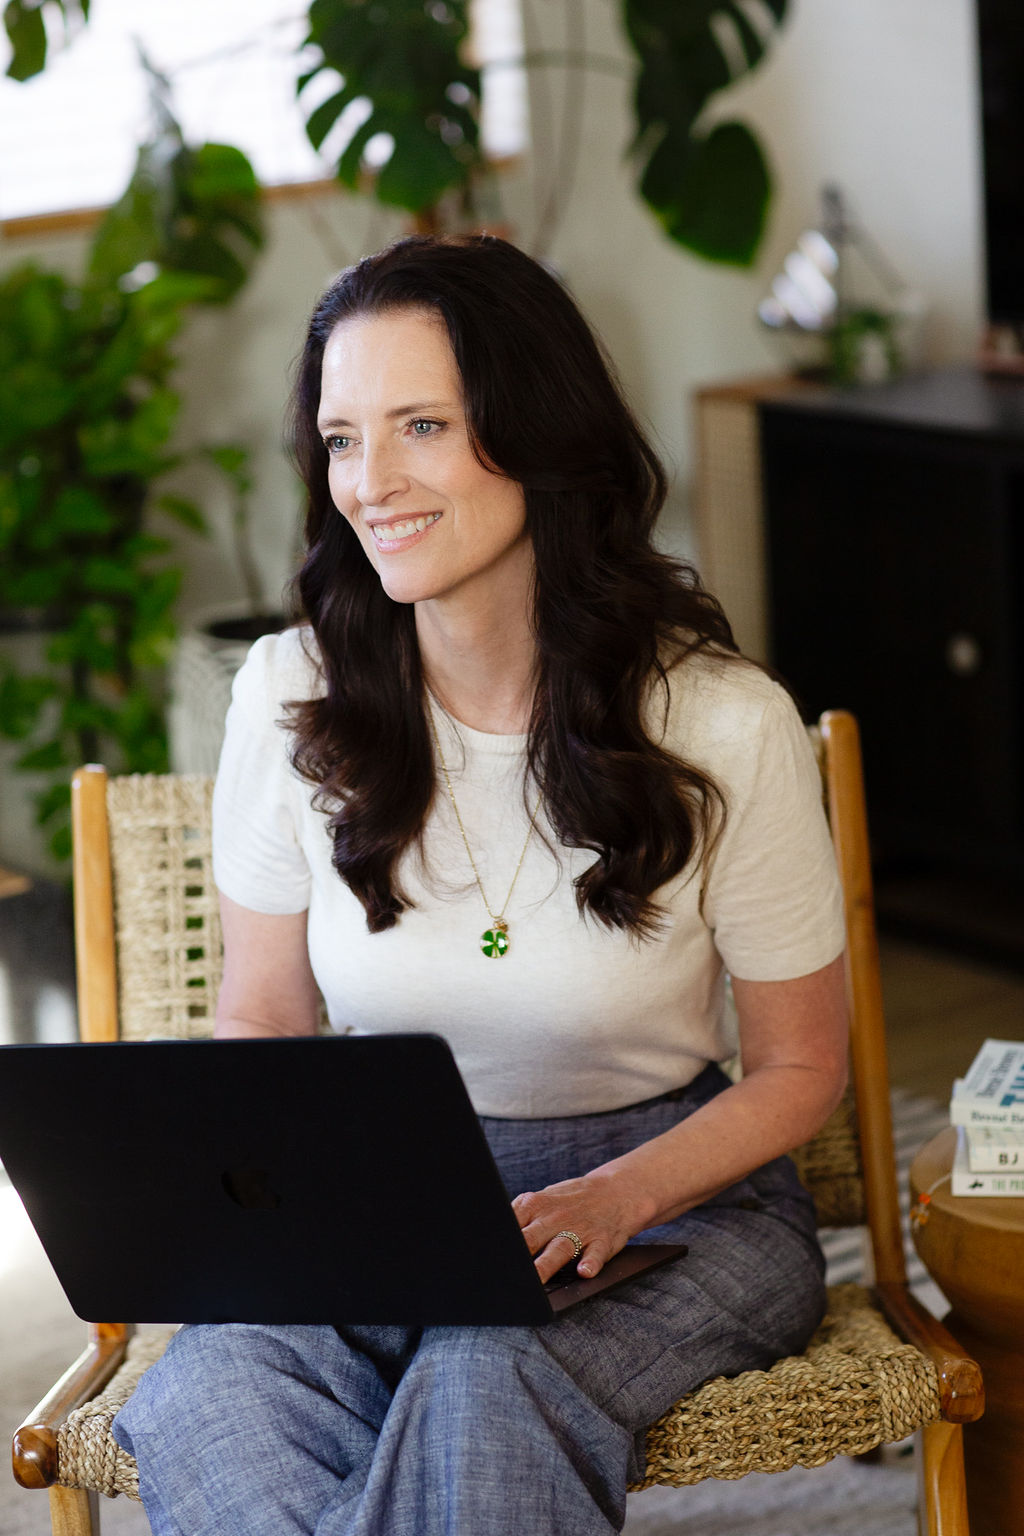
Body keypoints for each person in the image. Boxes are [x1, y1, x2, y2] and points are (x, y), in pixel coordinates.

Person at [113, 234, 849, 1536]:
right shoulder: (290, 695)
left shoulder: (725, 722)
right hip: (382, 1200)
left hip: (678, 1200)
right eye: (342, 439)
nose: (370, 481)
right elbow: (266, 1017)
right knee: (204, 1397)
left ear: (538, 434)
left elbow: (803, 1069)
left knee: (488, 1371)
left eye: (421, 427)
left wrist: (618, 1197)